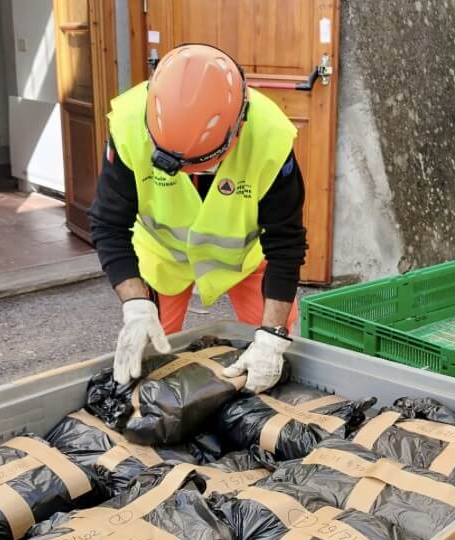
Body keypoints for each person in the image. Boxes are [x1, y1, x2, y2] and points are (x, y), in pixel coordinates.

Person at [89, 44, 306, 393]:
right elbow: (109, 226)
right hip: (164, 258)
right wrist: (135, 304)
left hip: (243, 260)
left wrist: (272, 336)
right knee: (148, 365)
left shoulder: (271, 138)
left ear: (238, 128)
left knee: (272, 363)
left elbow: (286, 243)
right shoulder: (128, 124)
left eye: (199, 163)